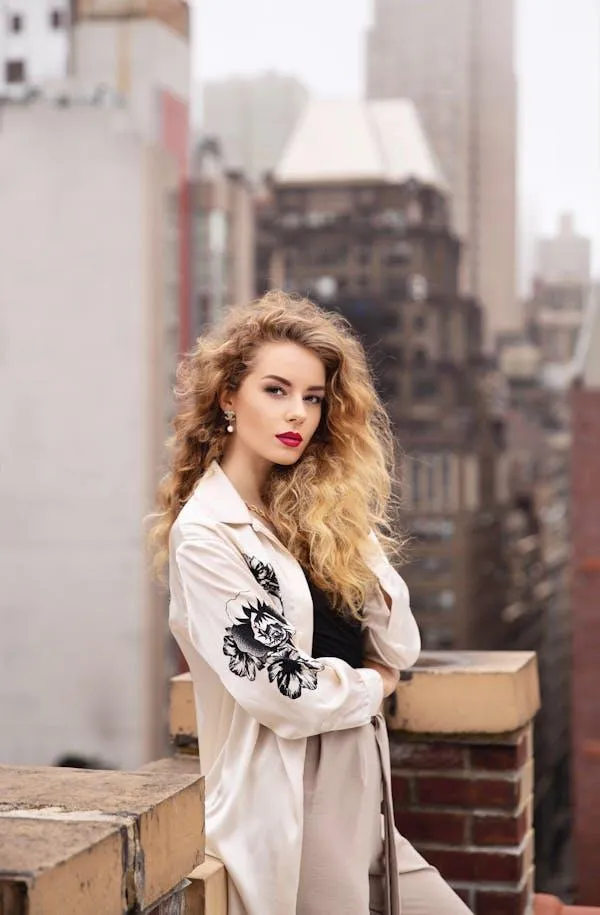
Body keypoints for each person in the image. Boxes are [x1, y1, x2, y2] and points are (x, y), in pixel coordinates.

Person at [149, 291, 471, 915]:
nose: (297, 412)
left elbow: (399, 644)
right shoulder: (206, 535)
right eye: (275, 390)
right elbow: (285, 692)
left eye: (314, 397)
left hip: (365, 791)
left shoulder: (320, 516)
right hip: (293, 796)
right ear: (227, 398)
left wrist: (347, 521)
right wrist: (374, 687)